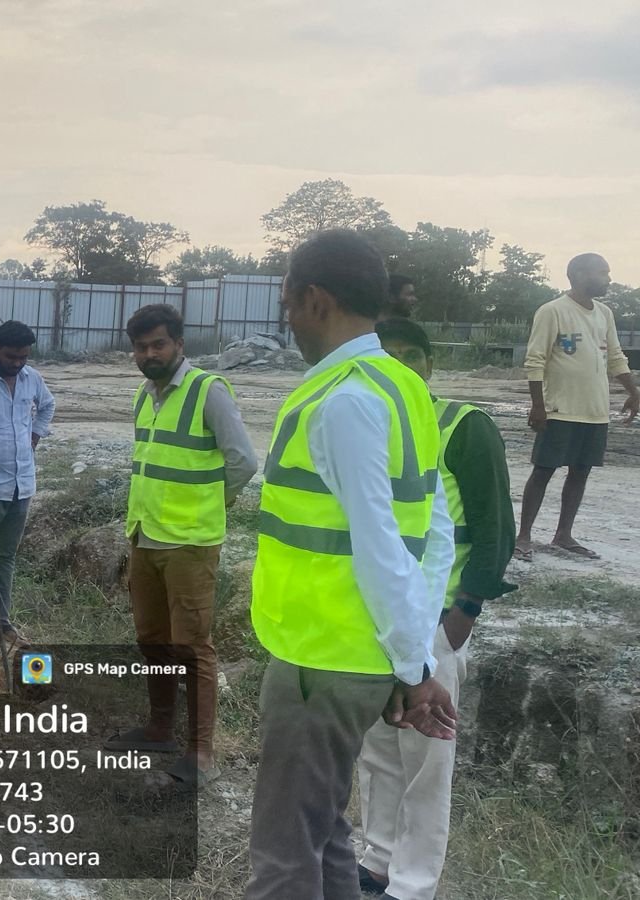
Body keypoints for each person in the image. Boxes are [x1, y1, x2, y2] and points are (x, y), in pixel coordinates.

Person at [245, 230, 458, 900]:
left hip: (322, 661)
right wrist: (411, 658)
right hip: (356, 659)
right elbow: (435, 535)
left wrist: (414, 668)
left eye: (287, 303)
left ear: (315, 299)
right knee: (324, 830)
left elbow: (380, 546)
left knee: (284, 855)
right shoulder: (401, 385)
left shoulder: (344, 401)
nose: (287, 319)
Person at [357, 318, 516, 900]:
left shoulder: (462, 425)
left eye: (411, 356)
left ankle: (413, 884)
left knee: (427, 756)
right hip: (380, 617)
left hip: (436, 618)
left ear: (430, 363)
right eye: (388, 357)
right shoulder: (371, 424)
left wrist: (464, 611)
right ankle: (377, 861)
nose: (401, 367)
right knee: (379, 747)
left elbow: (496, 527)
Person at [110, 303, 256, 786]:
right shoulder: (144, 395)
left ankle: (201, 752)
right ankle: (159, 728)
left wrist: (213, 504)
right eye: (140, 347)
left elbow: (243, 461)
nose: (149, 354)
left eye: (158, 345)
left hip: (190, 542)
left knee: (191, 646)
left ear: (179, 344)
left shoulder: (207, 391)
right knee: (151, 639)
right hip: (145, 535)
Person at [515, 253, 640, 561]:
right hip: (559, 409)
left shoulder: (605, 313)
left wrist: (633, 391)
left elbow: (615, 357)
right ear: (580, 274)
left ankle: (563, 534)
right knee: (544, 470)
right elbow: (535, 360)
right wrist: (538, 406)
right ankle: (523, 536)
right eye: (603, 272)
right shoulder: (552, 311)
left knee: (581, 471)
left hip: (595, 411)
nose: (609, 278)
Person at [0, 320, 55, 649]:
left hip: (22, 485)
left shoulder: (32, 379)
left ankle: (1, 624)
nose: (17, 363)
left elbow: (48, 405)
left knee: (5, 558)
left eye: (23, 357)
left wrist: (35, 436)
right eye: (11, 357)